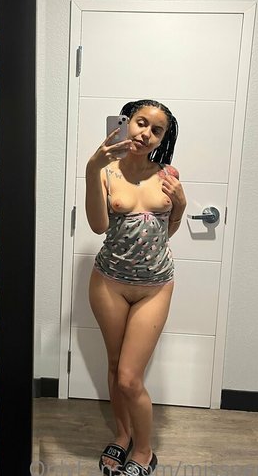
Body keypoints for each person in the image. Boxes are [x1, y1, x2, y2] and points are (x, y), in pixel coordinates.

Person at [85, 99, 187, 476]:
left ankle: (144, 451)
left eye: (156, 130)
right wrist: (91, 169)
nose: (146, 133)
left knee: (130, 377)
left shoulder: (168, 175)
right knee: (115, 367)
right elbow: (98, 226)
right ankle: (123, 434)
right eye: (141, 123)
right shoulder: (105, 172)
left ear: (163, 138)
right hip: (109, 283)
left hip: (154, 287)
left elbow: (167, 232)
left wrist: (181, 203)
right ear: (127, 122)